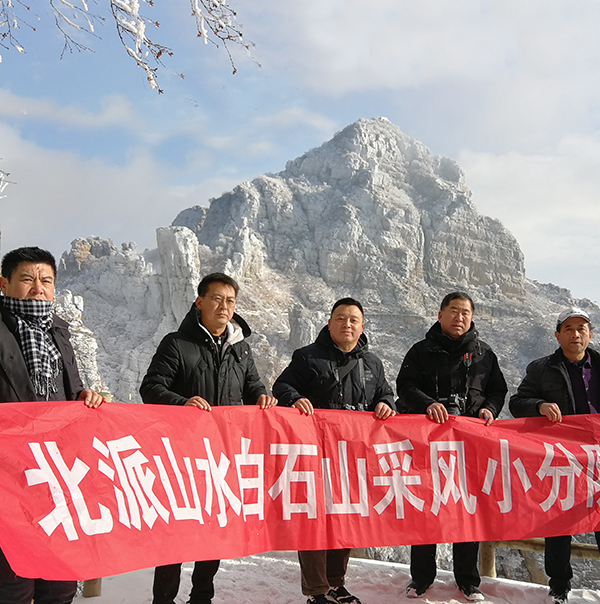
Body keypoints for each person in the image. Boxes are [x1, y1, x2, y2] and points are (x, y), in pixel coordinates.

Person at [140, 272, 277, 604]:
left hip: (223, 456)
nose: (224, 306)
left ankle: (202, 596)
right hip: (182, 457)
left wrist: (263, 397)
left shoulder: (240, 349)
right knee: (177, 532)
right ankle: (164, 599)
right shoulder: (177, 343)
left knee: (214, 531)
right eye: (216, 298)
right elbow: (151, 387)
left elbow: (253, 387)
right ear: (199, 302)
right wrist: (182, 403)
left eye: (230, 301)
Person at [273, 297, 395, 604]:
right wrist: (294, 399)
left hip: (352, 456)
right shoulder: (307, 357)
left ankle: (336, 583)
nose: (347, 324)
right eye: (340, 318)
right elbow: (282, 387)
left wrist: (387, 404)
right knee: (314, 519)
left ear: (362, 326)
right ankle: (316, 591)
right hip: (314, 453)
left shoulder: (373, 363)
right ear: (329, 323)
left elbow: (386, 393)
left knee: (344, 517)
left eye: (353, 319)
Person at [0, 246, 103, 604]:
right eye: (27, 279)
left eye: (46, 280)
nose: (37, 287)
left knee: (58, 582)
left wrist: (84, 397)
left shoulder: (59, 333)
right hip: (9, 476)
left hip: (56, 474)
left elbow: (68, 387)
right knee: (12, 583)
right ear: (5, 283)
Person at [396, 291, 507, 602]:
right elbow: (404, 387)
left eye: (465, 312)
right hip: (427, 446)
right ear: (440, 314)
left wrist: (490, 410)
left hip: (470, 447)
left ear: (472, 317)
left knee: (467, 512)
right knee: (426, 511)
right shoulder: (420, 351)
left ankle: (468, 581)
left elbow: (498, 390)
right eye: (454, 311)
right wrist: (428, 404)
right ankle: (421, 578)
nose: (460, 317)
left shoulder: (485, 354)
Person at [510, 307, 600, 604]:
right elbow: (517, 402)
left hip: (598, 459)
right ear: (557, 334)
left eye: (582, 328)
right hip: (561, 459)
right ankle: (559, 587)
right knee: (559, 522)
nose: (576, 334)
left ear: (590, 333)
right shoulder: (541, 368)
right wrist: (538, 405)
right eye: (569, 328)